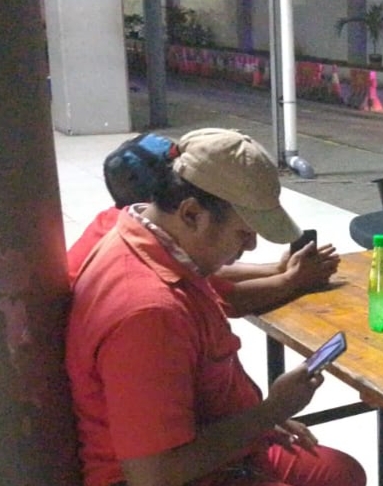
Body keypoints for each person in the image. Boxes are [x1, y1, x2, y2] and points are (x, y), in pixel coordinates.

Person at [65, 128, 366, 486]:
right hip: (172, 475)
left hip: (207, 441)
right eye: (243, 233)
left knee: (340, 472)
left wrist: (256, 419)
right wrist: (270, 411)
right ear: (192, 214)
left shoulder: (156, 241)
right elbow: (153, 475)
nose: (251, 247)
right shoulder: (148, 314)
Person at [66, 132, 340, 317]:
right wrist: (291, 281)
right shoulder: (151, 304)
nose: (251, 245)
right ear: (187, 211)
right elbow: (223, 298)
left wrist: (276, 270)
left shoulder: (126, 227)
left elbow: (207, 276)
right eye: (243, 232)